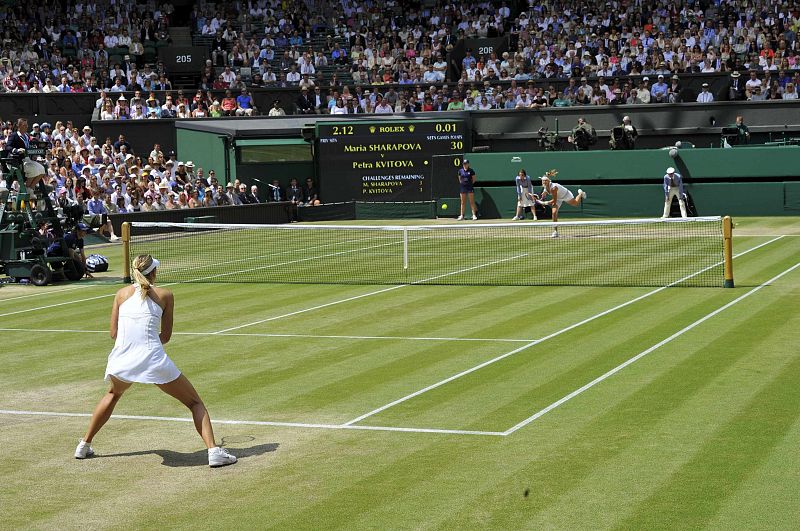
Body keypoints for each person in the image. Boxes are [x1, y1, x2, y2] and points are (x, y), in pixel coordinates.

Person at [74, 255, 237, 468]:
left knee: (113, 394)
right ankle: (214, 452)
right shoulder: (166, 295)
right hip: (152, 359)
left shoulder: (121, 294)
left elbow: (114, 334)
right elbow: (166, 336)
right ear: (154, 272)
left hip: (121, 360)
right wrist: (147, 347)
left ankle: (84, 445)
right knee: (195, 403)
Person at [537, 170, 586, 237]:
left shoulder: (553, 188)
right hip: (558, 198)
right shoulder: (545, 186)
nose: (544, 182)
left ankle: (580, 194)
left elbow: (554, 200)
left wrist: (544, 203)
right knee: (554, 213)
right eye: (543, 181)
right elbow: (547, 190)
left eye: (546, 181)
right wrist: (545, 192)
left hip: (566, 195)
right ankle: (555, 231)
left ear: (549, 181)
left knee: (576, 203)